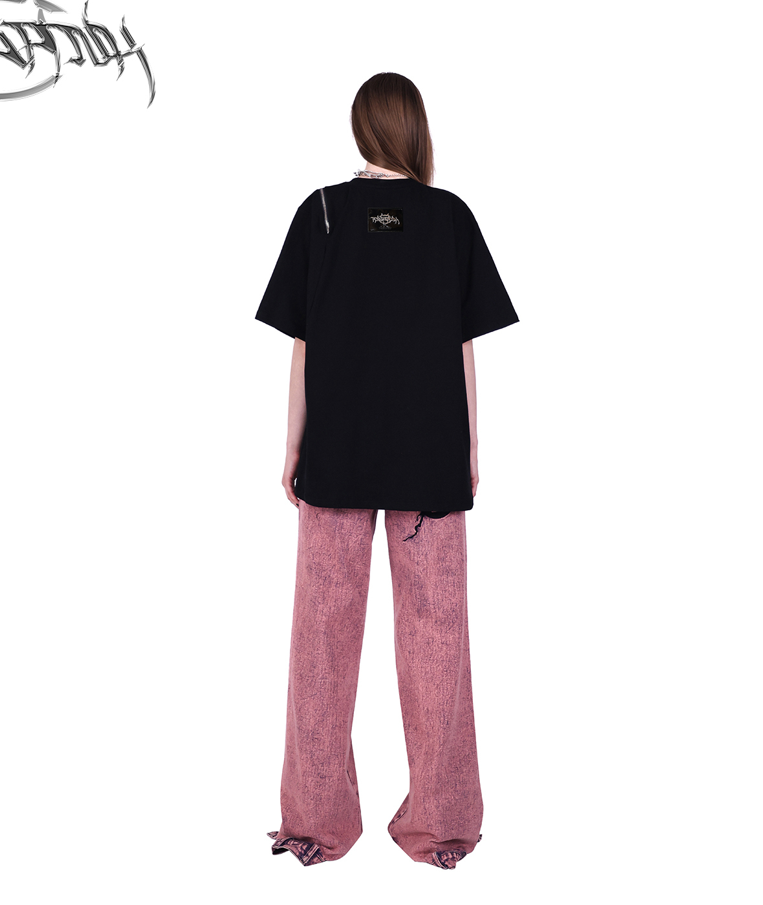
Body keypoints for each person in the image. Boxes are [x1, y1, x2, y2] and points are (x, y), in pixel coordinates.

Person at [255, 72, 520, 870]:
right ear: (414, 128)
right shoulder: (449, 218)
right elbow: (462, 349)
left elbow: (301, 348)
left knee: (321, 640)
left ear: (360, 127)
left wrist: (292, 445)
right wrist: (469, 446)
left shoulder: (322, 212)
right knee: (438, 641)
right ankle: (443, 826)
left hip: (335, 453)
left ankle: (313, 823)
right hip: (429, 454)